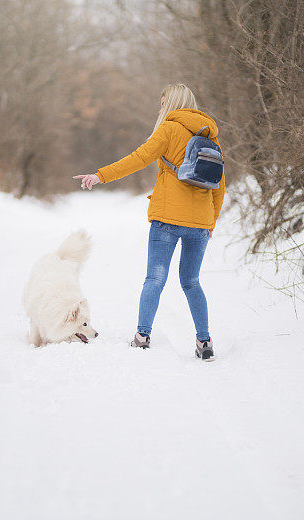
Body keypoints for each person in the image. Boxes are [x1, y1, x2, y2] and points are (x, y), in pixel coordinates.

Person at [72, 83, 225, 361]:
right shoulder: (210, 137)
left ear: (172, 103)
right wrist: (210, 223)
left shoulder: (169, 128)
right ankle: (205, 342)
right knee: (191, 281)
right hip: (199, 223)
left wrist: (100, 175)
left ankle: (143, 336)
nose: (160, 106)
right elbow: (219, 187)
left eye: (162, 101)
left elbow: (139, 158)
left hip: (166, 218)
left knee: (155, 278)